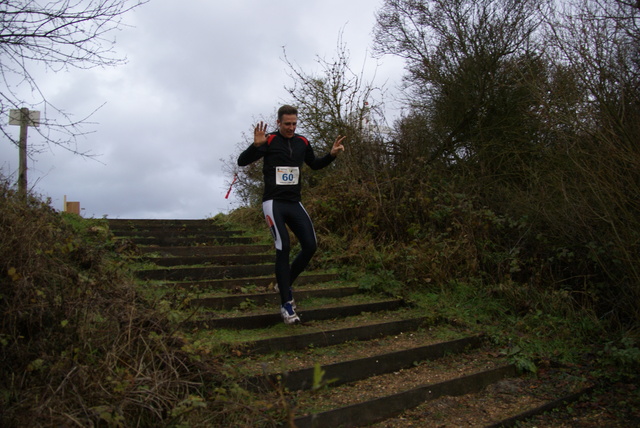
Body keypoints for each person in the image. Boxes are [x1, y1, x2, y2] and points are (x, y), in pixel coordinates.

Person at [237, 105, 345, 324]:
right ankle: (286, 304)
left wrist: (331, 155)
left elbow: (314, 164)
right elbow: (242, 161)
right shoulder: (268, 141)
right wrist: (255, 146)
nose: (291, 127)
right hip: (273, 203)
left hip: (294, 203)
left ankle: (284, 283)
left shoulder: (302, 142)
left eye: (294, 123)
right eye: (287, 124)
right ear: (279, 123)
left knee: (310, 245)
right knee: (283, 246)